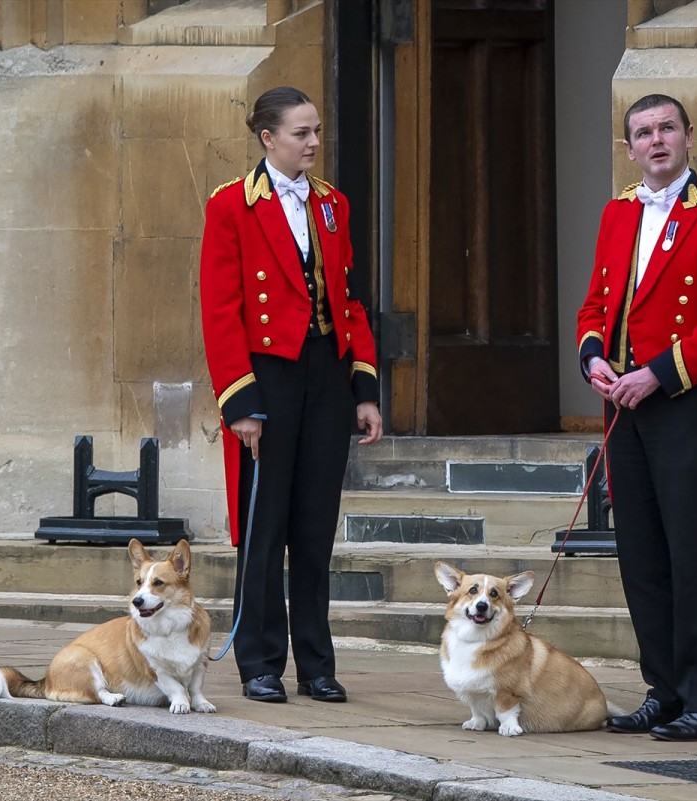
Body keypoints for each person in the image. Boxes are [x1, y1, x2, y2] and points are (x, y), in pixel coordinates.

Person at [575, 94, 697, 741]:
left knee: (692, 557)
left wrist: (657, 371)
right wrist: (594, 357)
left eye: (666, 129)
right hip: (625, 407)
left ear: (687, 136)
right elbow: (596, 303)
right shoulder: (619, 212)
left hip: (683, 405)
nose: (656, 141)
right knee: (642, 556)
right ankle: (666, 689)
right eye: (643, 132)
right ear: (629, 147)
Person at [199, 86, 383, 704]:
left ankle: (317, 664)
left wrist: (363, 387)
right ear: (267, 138)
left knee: (313, 528)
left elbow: (349, 301)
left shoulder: (332, 204)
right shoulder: (231, 205)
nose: (313, 143)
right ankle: (258, 661)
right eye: (301, 133)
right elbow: (220, 312)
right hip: (266, 380)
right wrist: (240, 403)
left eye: (316, 132)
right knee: (263, 526)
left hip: (325, 375)